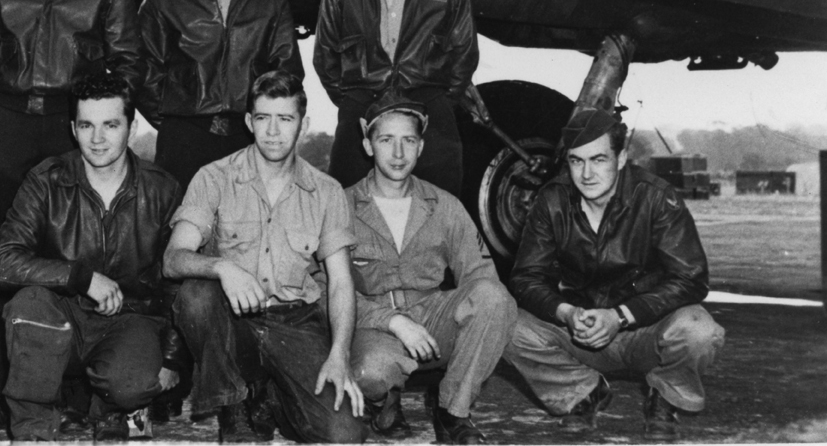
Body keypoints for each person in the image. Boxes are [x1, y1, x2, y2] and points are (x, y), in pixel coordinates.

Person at [0, 0, 143, 428]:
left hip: (73, 125)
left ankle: (72, 396)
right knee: (3, 257)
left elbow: (125, 59)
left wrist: (100, 127)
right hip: (12, 123)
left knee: (74, 254)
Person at [163, 70, 367, 444]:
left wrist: (340, 356)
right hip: (232, 323)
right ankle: (234, 409)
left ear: (302, 124)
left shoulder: (328, 191)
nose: (273, 132)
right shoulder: (214, 177)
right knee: (195, 295)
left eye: (285, 119)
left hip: (295, 324)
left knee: (344, 434)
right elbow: (173, 259)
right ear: (248, 122)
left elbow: (340, 282)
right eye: (263, 118)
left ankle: (272, 395)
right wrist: (223, 267)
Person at [504, 106, 725, 440]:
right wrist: (567, 313)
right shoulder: (551, 201)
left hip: (646, 334)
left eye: (599, 159)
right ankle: (582, 392)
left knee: (699, 329)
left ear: (622, 158)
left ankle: (665, 396)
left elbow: (690, 277)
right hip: (581, 333)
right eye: (577, 161)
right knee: (503, 323)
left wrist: (620, 316)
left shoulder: (656, 197)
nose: (586, 174)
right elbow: (525, 278)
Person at [0, 71, 183, 440]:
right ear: (72, 128)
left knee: (132, 384)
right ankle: (33, 429)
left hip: (129, 319)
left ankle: (112, 407)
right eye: (86, 125)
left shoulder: (162, 190)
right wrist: (80, 277)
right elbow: (1, 262)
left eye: (110, 125)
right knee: (28, 305)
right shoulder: (47, 180)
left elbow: (177, 284)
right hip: (62, 314)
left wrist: (172, 358)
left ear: (132, 125)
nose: (97, 139)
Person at [347, 97, 516, 444]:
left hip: (432, 319)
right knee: (371, 373)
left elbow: (481, 276)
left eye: (408, 141)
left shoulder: (444, 205)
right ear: (367, 144)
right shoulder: (340, 205)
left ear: (420, 146)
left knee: (493, 298)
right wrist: (392, 321)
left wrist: (480, 327)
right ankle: (383, 399)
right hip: (373, 324)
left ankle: (452, 412)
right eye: (386, 140)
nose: (398, 153)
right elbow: (322, 289)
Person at [314, 0, 478, 193]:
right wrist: (354, 99)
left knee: (438, 213)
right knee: (349, 214)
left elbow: (464, 52)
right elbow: (326, 55)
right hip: (362, 108)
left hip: (430, 109)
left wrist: (439, 100)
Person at [137, 0, 303, 190]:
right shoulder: (162, 0)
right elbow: (144, 76)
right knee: (182, 231)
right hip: (184, 142)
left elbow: (287, 75)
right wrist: (178, 125)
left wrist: (263, 128)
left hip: (250, 139)